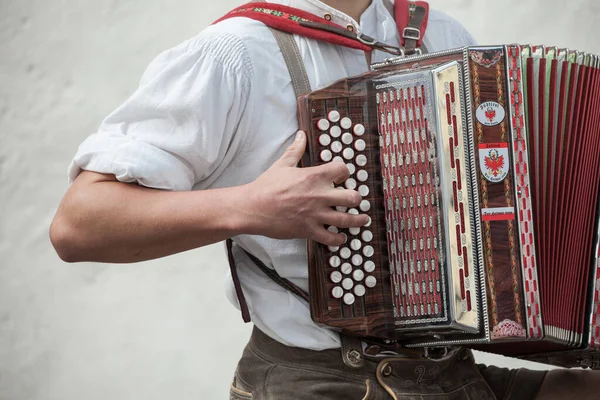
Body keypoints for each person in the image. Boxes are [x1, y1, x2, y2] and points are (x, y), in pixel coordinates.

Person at [50, 0, 600, 398]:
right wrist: (250, 207)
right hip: (316, 380)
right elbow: (79, 225)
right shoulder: (234, 53)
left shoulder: (443, 36)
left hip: (450, 372)